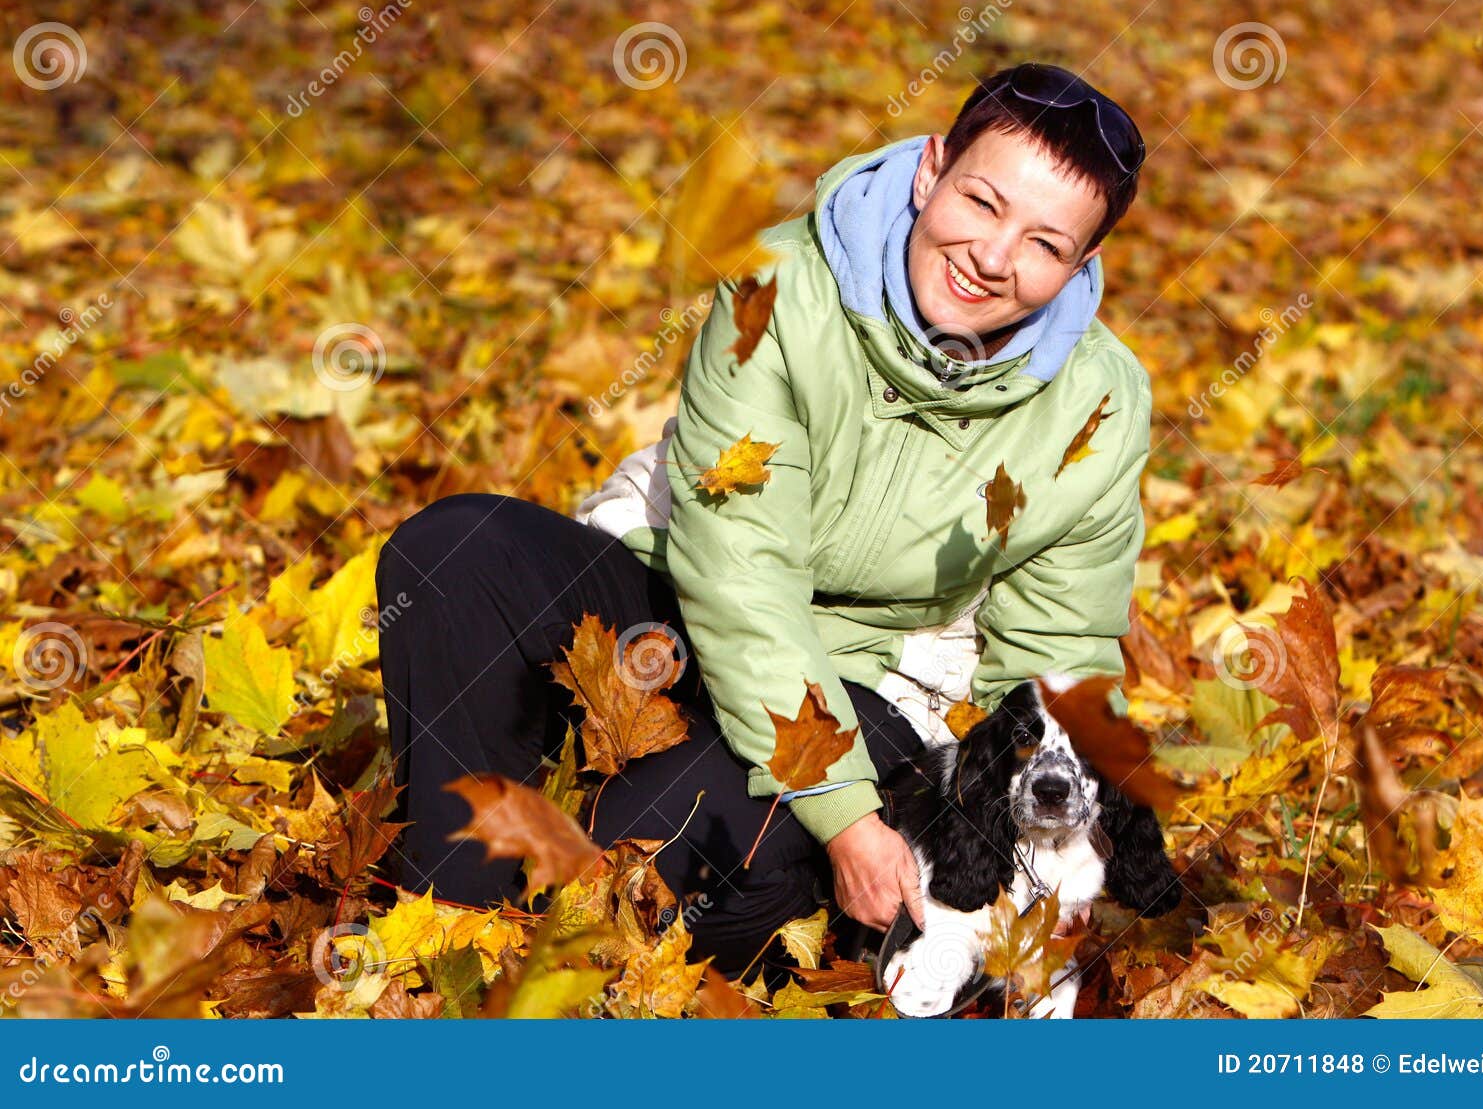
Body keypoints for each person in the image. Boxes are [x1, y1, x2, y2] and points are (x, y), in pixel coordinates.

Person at [374, 61, 1152, 971]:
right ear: (929, 168)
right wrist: (844, 816)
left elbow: (1055, 653)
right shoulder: (777, 292)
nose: (993, 258)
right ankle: (444, 922)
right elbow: (739, 573)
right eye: (980, 202)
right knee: (453, 554)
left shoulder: (1098, 401)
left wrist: (1006, 863)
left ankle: (745, 907)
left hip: (877, 691)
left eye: (1044, 245)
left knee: (642, 855)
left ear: (1081, 263)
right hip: (688, 607)